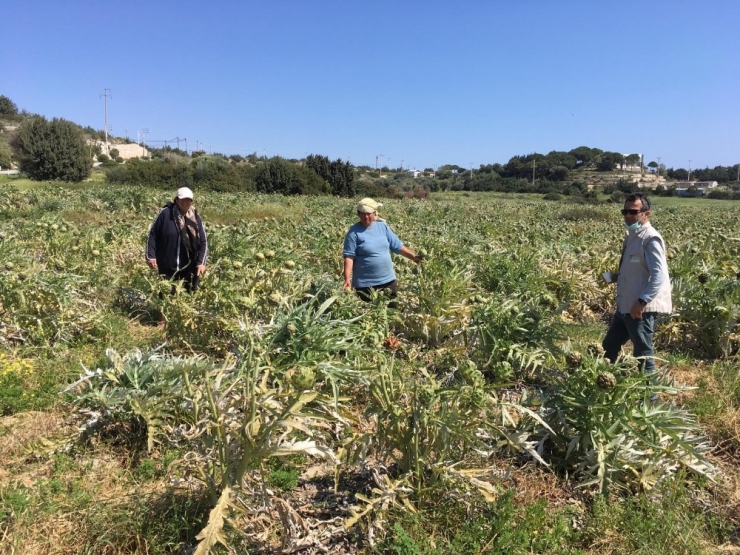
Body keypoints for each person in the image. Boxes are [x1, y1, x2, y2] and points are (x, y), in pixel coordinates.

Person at [602, 192, 672, 373]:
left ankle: (651, 398)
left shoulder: (651, 238)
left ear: (646, 214)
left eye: (633, 212)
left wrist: (642, 302)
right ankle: (609, 382)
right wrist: (617, 276)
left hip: (640, 308)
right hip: (626, 304)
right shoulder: (631, 236)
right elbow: (640, 269)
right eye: (624, 211)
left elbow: (659, 275)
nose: (627, 215)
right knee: (609, 345)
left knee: (642, 352)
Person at [342, 198, 422, 308]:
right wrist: (347, 278)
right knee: (370, 318)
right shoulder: (353, 232)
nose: (366, 217)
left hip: (388, 280)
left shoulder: (383, 227)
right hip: (365, 285)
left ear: (374, 213)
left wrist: (413, 257)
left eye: (369, 214)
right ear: (358, 214)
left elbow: (397, 246)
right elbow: (349, 257)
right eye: (363, 214)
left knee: (391, 313)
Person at [146, 187, 208, 292]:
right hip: (167, 265)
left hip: (189, 266)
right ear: (176, 199)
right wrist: (150, 256)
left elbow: (203, 242)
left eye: (188, 199)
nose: (185, 202)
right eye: (182, 199)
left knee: (188, 296)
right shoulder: (165, 213)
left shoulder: (195, 217)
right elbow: (153, 234)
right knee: (166, 295)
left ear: (192, 201)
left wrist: (201, 263)